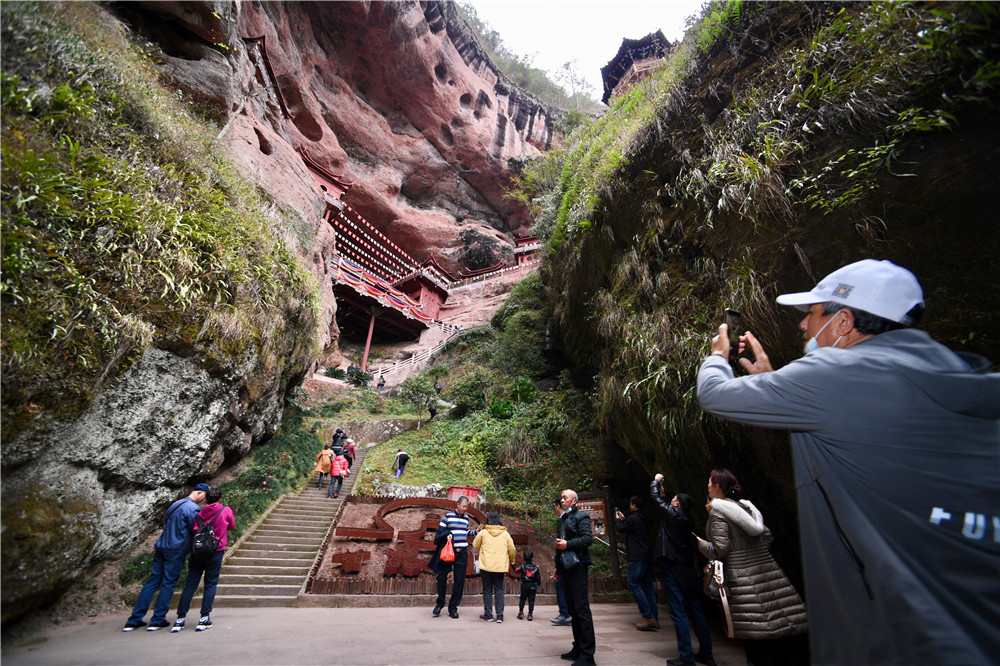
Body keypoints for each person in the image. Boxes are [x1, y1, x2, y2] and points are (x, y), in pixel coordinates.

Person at [696, 259, 1000, 665]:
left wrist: (718, 356)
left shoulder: (833, 373)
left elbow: (714, 394)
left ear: (842, 322)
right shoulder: (948, 369)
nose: (803, 325)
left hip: (906, 627)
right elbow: (849, 422)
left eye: (812, 313)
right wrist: (777, 382)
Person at [696, 469, 807, 666]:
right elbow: (767, 536)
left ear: (717, 486)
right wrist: (754, 554)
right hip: (768, 572)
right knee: (777, 627)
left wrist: (701, 544)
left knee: (753, 634)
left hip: (742, 580)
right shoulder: (747, 507)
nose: (708, 486)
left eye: (710, 482)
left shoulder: (718, 513)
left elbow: (721, 549)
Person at [122, 484, 208, 631]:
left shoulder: (175, 504)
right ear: (200, 493)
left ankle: (134, 620)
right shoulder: (192, 509)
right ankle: (157, 619)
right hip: (176, 548)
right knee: (168, 583)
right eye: (204, 497)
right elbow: (195, 529)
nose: (203, 500)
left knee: (152, 582)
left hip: (162, 546)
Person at [650, 476, 715, 666]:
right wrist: (664, 495)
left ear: (677, 504)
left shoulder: (673, 515)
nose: (670, 501)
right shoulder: (687, 518)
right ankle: (706, 653)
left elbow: (656, 499)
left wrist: (655, 482)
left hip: (673, 566)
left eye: (673, 500)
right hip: (688, 568)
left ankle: (686, 656)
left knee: (678, 611)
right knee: (695, 610)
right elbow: (664, 504)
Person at [172, 487, 236, 632]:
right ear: (219, 499)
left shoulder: (199, 512)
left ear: (206, 499)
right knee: (210, 583)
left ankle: (180, 619)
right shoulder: (225, 510)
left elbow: (194, 528)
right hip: (215, 550)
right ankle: (204, 618)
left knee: (190, 583)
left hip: (198, 551)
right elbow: (231, 525)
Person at [554, 489, 596, 666]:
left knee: (581, 609)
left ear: (574, 502)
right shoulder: (562, 518)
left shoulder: (582, 517)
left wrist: (568, 544)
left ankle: (587, 656)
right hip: (566, 568)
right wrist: (557, 567)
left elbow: (587, 539)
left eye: (566, 497)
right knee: (572, 609)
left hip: (578, 567)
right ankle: (577, 648)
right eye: (562, 497)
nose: (562, 500)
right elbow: (559, 544)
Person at [614, 496, 659, 631]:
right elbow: (629, 527)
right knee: (647, 587)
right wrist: (624, 520)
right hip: (647, 556)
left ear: (634, 506)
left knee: (633, 583)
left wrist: (618, 520)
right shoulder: (643, 518)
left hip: (637, 556)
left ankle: (648, 616)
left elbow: (621, 528)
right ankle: (654, 616)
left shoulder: (634, 519)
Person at [430, 496, 478, 618]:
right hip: (449, 551)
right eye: (463, 506)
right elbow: (440, 532)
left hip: (462, 552)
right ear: (457, 505)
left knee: (459, 580)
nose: (465, 509)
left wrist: (475, 532)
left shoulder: (466, 518)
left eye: (467, 507)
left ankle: (453, 607)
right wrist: (448, 534)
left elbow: (466, 532)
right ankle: (440, 604)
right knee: (442, 577)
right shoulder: (447, 517)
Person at [472, 510, 516, 623]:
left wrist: (479, 533)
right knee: (499, 589)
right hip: (500, 566)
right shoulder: (505, 534)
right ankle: (500, 616)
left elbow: (475, 545)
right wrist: (512, 561)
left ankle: (488, 614)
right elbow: (512, 549)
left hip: (486, 565)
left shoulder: (483, 533)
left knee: (487, 589)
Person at [513, 549, 541, 621]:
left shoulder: (523, 566)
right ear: (532, 558)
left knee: (522, 598)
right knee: (531, 600)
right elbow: (538, 577)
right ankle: (530, 614)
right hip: (532, 585)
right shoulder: (535, 568)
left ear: (524, 558)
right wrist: (538, 585)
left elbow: (516, 570)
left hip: (525, 584)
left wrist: (512, 564)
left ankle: (521, 612)